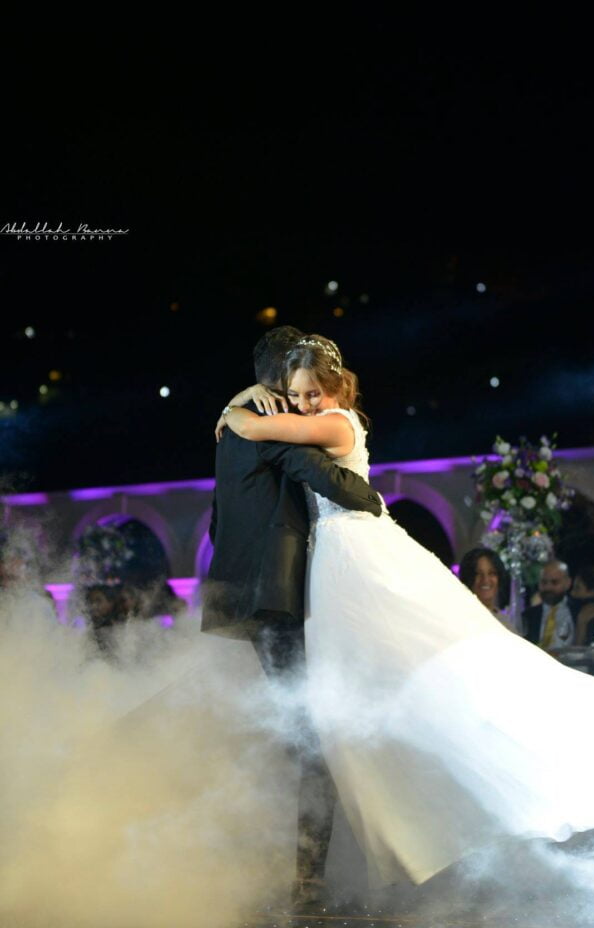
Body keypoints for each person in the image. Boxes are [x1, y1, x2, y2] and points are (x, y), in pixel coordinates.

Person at [225, 334, 594, 888]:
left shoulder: (339, 421)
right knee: (353, 697)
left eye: (313, 393)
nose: (304, 405)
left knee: (425, 662)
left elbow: (254, 430)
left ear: (336, 388)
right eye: (297, 395)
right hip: (335, 565)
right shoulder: (319, 419)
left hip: (358, 557)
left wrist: (239, 405)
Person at [204, 326, 383, 910]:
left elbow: (216, 521)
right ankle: (307, 878)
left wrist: (232, 406)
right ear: (277, 381)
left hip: (255, 600)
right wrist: (371, 500)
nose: (300, 398)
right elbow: (341, 486)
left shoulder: (232, 429)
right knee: (312, 738)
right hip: (278, 601)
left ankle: (291, 866)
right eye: (293, 383)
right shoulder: (266, 427)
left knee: (298, 731)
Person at [458, 547, 517, 632]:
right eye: (478, 573)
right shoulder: (460, 619)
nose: (485, 580)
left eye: (492, 573)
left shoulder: (504, 623)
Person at [525, 560, 579, 650]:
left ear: (568, 583)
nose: (548, 588)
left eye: (554, 582)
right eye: (544, 582)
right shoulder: (528, 615)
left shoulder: (580, 611)